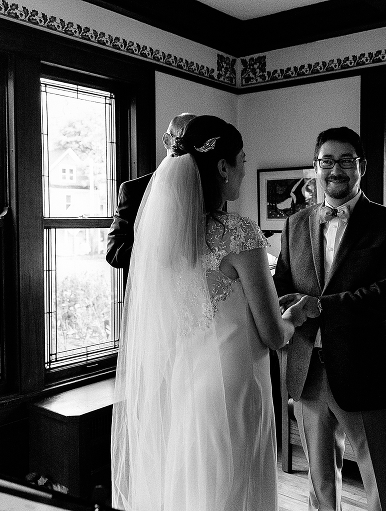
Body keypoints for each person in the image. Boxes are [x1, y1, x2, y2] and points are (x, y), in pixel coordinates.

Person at [111, 115, 310, 511]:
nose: (243, 170)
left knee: (195, 487)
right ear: (222, 167)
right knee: (237, 489)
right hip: (236, 386)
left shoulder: (164, 237)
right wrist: (298, 315)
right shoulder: (239, 232)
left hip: (185, 381)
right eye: (242, 160)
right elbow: (273, 334)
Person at [273, 127, 386, 511]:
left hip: (368, 371)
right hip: (308, 372)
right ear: (316, 167)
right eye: (327, 161)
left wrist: (319, 306)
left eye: (346, 161)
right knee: (320, 490)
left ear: (362, 166)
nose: (335, 170)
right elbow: (281, 285)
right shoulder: (295, 224)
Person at [105, 112, 196, 272]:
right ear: (167, 140)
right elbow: (114, 253)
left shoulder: (209, 190)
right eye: (184, 140)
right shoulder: (133, 191)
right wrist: (159, 249)